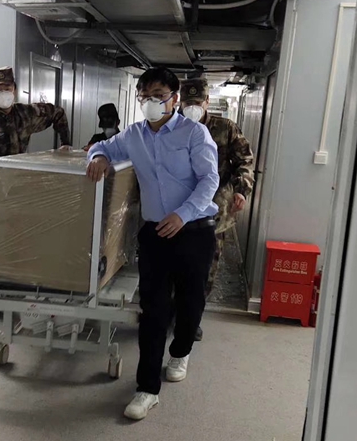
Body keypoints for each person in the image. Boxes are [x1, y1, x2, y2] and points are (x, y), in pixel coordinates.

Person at [86, 67, 219, 421]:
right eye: (144, 96)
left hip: (194, 230)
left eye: (158, 95)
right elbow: (101, 146)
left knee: (190, 303)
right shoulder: (134, 135)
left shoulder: (195, 133)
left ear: (174, 99)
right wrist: (98, 157)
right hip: (155, 234)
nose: (150, 102)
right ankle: (146, 389)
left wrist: (183, 214)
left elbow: (209, 180)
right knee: (153, 309)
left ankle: (181, 351)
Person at [0, 66, 71, 324]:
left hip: (15, 189)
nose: (3, 93)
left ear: (14, 89)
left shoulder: (26, 113)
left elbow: (57, 113)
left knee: (15, 241)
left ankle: (13, 290)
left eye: (7, 88)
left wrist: (65, 143)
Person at [179, 78, 254, 341]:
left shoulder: (225, 128)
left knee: (206, 267)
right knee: (176, 264)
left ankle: (193, 318)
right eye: (187, 103)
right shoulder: (171, 126)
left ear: (207, 102)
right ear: (179, 102)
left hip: (215, 210)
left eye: (197, 102)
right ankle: (173, 312)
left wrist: (241, 190)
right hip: (178, 208)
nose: (192, 107)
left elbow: (245, 161)